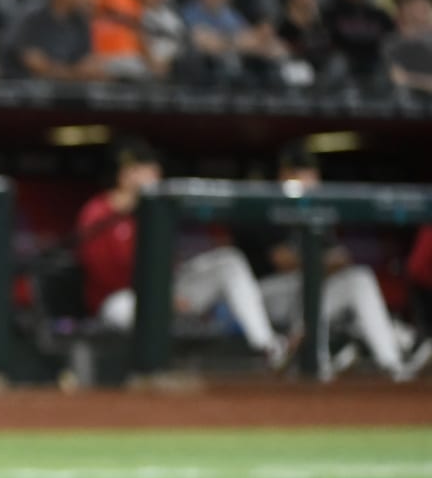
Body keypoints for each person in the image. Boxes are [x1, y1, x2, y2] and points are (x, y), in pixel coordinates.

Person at [76, 138, 287, 368]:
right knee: (121, 308)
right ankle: (155, 368)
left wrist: (169, 292)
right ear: (127, 175)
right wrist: (161, 297)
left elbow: (167, 263)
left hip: (167, 295)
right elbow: (104, 274)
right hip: (120, 299)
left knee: (229, 261)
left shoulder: (154, 211)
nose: (157, 177)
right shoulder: (97, 212)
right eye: (149, 171)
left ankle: (269, 347)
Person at [238, 144, 429, 382]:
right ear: (284, 175)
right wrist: (323, 263)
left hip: (308, 292)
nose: (310, 179)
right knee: (312, 282)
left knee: (359, 278)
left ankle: (392, 362)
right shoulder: (268, 206)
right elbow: (283, 262)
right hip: (269, 295)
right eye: (301, 173)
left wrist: (320, 263)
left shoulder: (317, 210)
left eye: (311, 174)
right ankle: (319, 355)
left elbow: (343, 259)